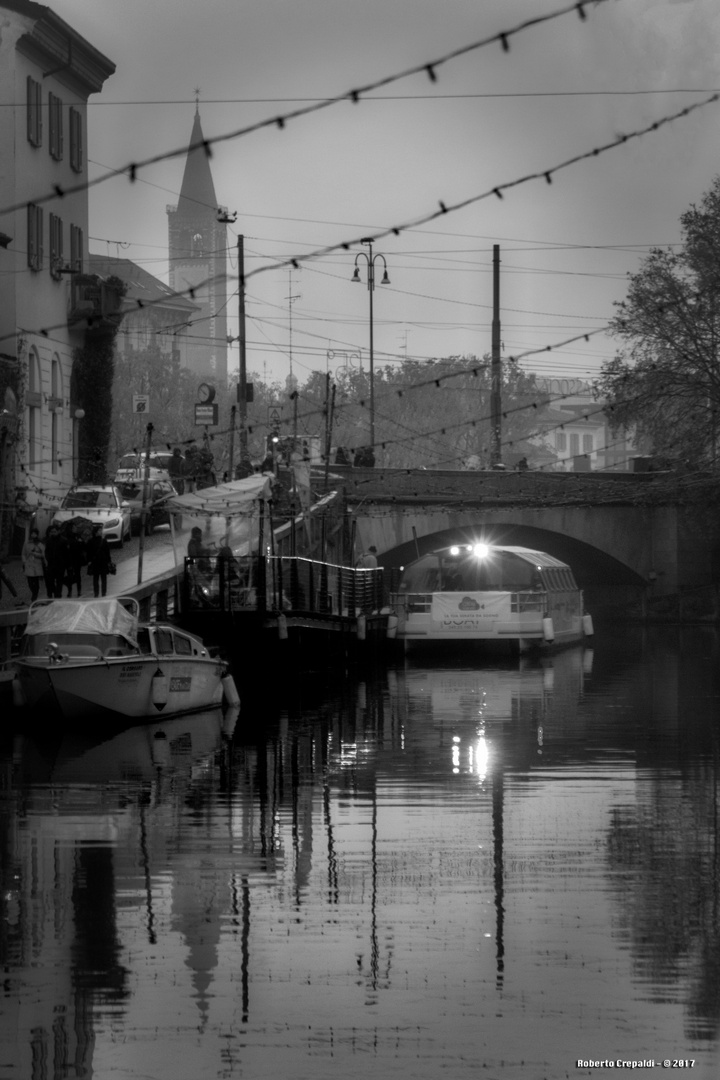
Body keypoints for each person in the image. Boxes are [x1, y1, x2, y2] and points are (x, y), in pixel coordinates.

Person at [86, 523, 113, 597]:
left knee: (96, 578)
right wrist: (109, 561)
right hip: (101, 562)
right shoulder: (103, 541)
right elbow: (107, 553)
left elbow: (89, 553)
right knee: (102, 578)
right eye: (100, 530)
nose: (101, 531)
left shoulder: (91, 541)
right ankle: (102, 593)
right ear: (96, 532)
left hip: (97, 563)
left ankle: (97, 593)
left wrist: (89, 561)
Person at [21, 529, 46, 602]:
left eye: (35, 534)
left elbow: (43, 555)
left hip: (37, 565)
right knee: (30, 582)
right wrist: (24, 561)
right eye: (32, 534)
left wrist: (36, 554)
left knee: (35, 581)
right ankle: (33, 593)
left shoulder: (40, 544)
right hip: (29, 564)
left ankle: (35, 595)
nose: (33, 535)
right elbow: (23, 553)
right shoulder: (26, 543)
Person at [43, 524, 65, 598]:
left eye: (54, 531)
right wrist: (48, 558)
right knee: (50, 581)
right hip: (51, 565)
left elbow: (66, 553)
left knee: (59, 582)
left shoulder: (63, 541)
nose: (53, 533)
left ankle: (58, 595)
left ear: (58, 532)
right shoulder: (49, 541)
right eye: (52, 532)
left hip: (60, 565)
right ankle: (53, 593)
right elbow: (46, 551)